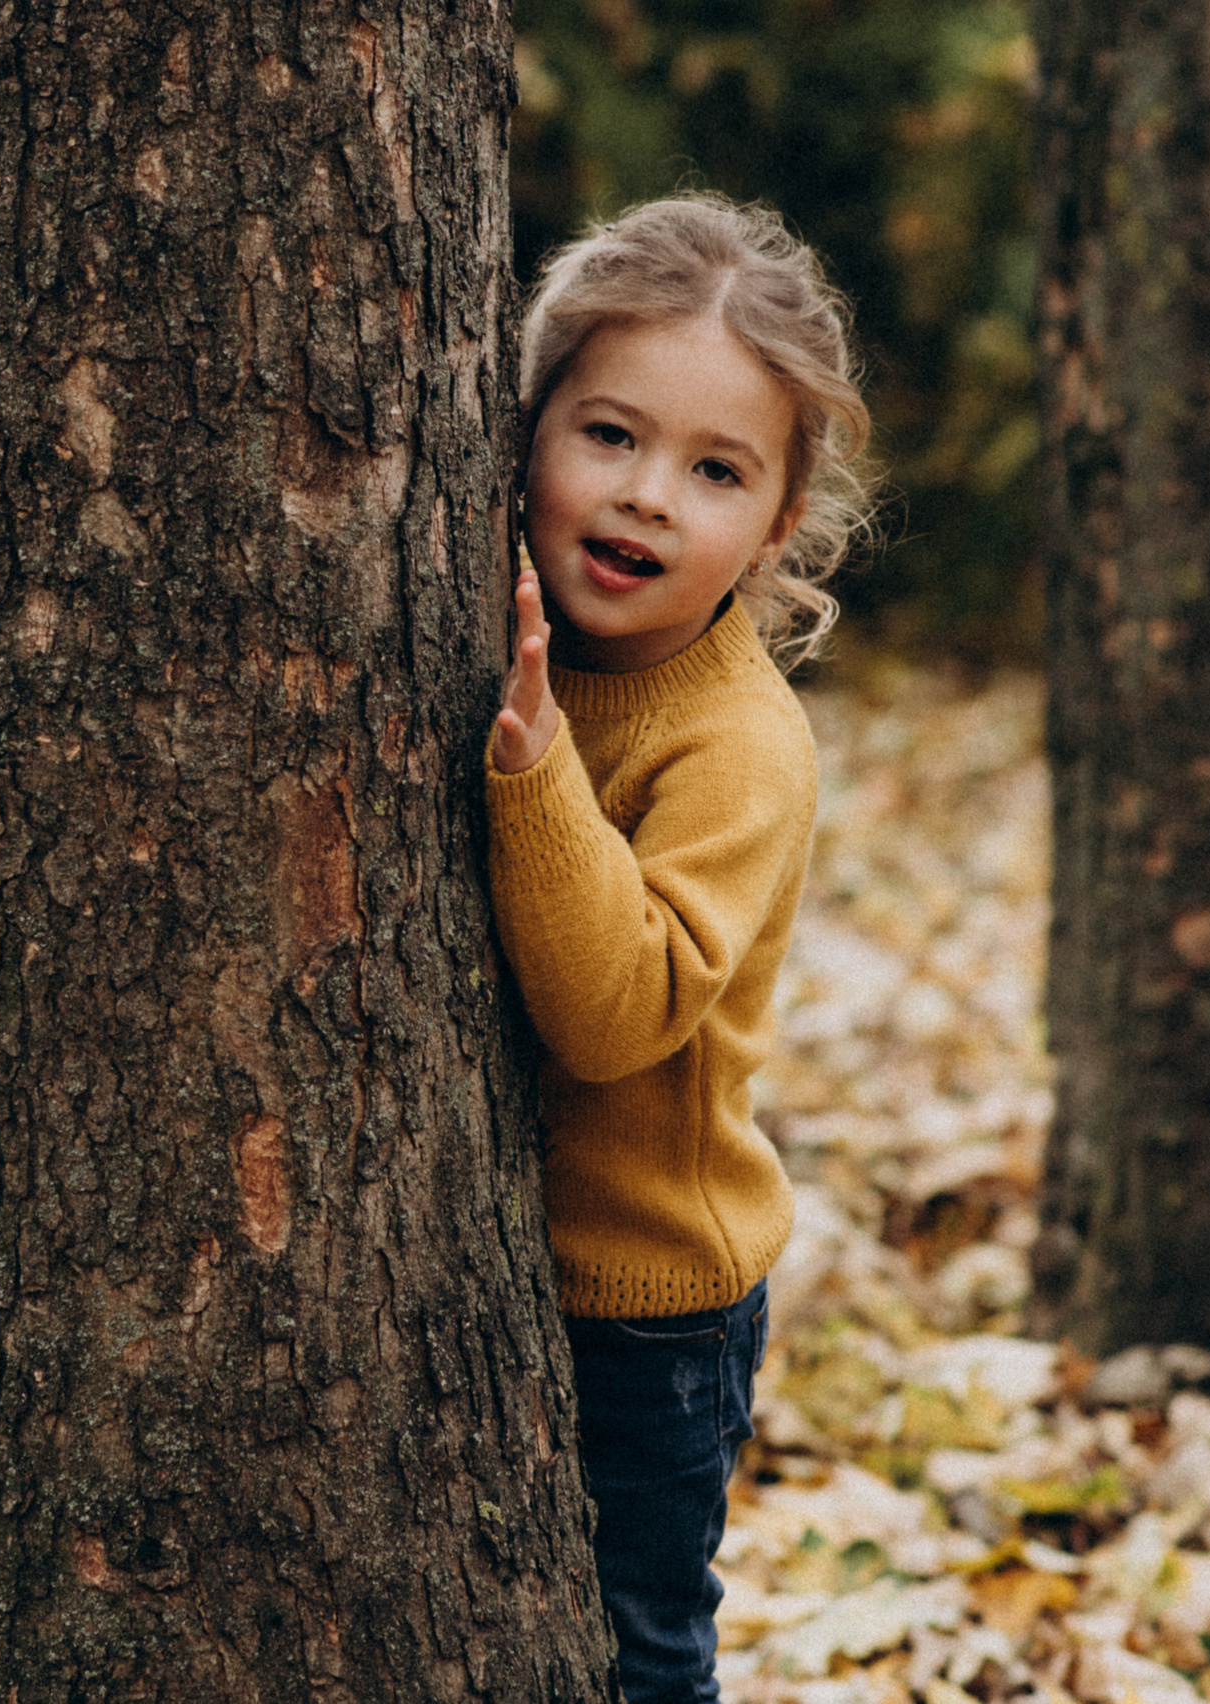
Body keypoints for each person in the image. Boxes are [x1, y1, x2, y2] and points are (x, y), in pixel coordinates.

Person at [485, 195, 874, 1704]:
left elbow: (616, 1012)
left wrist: (538, 773)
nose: (648, 497)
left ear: (778, 523)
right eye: (609, 435)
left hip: (648, 1306)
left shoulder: (737, 745)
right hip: (511, 1259)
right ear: (522, 428)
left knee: (636, 1650)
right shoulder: (489, 625)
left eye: (717, 470)